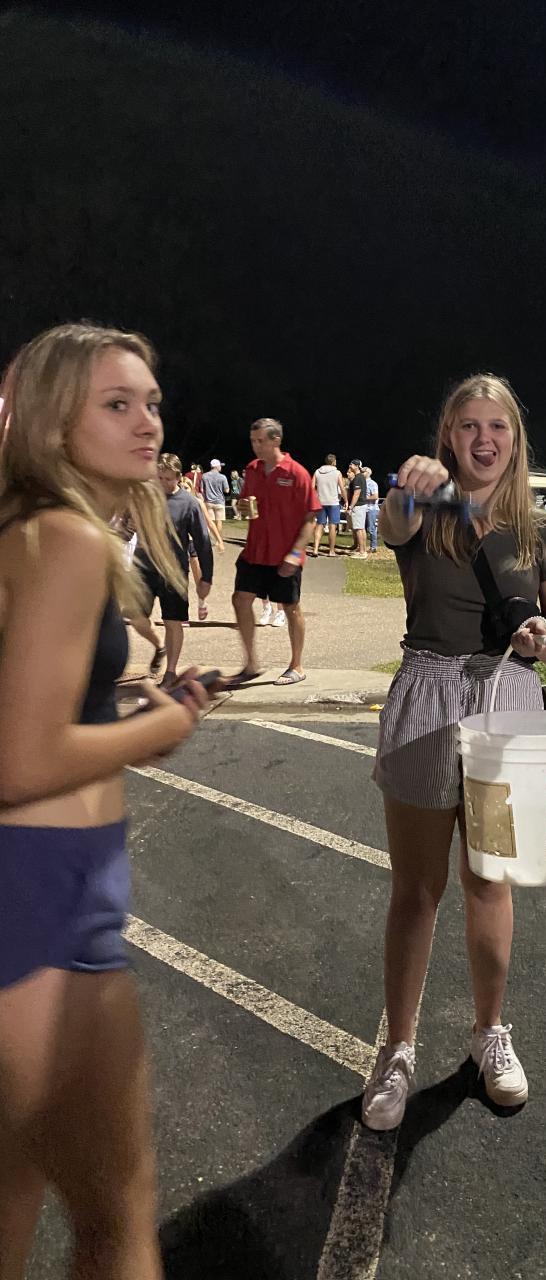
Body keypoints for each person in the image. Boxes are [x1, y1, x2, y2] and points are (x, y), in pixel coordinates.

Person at [0, 322, 210, 1278]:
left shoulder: (23, 526)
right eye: (116, 405)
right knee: (120, 1222)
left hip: (33, 892)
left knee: (15, 1203)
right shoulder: (72, 538)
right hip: (49, 904)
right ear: (54, 423)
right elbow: (24, 757)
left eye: (151, 402)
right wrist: (159, 730)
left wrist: (119, 714)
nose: (147, 423)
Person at [363, 373, 546, 1131]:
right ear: (447, 436)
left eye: (497, 426)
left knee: (490, 882)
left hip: (506, 706)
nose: (483, 440)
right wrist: (407, 488)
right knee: (415, 890)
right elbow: (390, 524)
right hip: (426, 696)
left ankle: (490, 1033)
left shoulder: (544, 530)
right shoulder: (424, 511)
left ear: (515, 438)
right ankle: (397, 1050)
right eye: (468, 426)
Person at [229, 417, 319, 686]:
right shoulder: (252, 469)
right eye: (253, 441)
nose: (255, 446)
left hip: (285, 554)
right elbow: (245, 504)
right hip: (255, 551)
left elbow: (311, 518)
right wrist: (242, 508)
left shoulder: (296, 473)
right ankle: (250, 664)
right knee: (240, 599)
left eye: (260, 441)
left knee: (291, 607)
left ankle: (296, 666)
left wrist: (296, 553)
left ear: (275, 440)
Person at [133, 454, 214, 687]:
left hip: (174, 571)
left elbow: (202, 542)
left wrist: (206, 578)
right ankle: (159, 645)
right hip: (145, 567)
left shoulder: (189, 503)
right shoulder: (146, 498)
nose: (163, 483)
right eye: (159, 478)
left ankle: (170, 672)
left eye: (168, 479)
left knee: (173, 620)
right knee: (136, 617)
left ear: (178, 477)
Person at [311, 452, 347, 557]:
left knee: (319, 525)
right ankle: (331, 551)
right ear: (334, 461)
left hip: (320, 502)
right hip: (333, 502)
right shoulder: (337, 473)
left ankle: (315, 549)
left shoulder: (317, 472)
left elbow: (312, 487)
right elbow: (342, 488)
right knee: (332, 526)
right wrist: (346, 500)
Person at [201, 458, 230, 542]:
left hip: (208, 501)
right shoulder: (222, 477)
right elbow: (227, 490)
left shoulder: (204, 476)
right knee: (219, 521)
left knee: (210, 521)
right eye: (220, 466)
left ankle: (208, 540)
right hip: (219, 502)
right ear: (216, 466)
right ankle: (218, 540)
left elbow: (202, 489)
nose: (221, 467)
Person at [347, 458, 371, 558]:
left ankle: (362, 552)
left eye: (352, 464)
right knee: (361, 528)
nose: (350, 466)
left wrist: (351, 507)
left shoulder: (358, 478)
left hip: (358, 506)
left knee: (358, 529)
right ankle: (363, 549)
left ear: (357, 466)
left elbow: (356, 494)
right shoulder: (361, 477)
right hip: (361, 505)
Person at [363, 466, 380, 552]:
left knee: (371, 528)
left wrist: (363, 498)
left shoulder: (372, 483)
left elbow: (375, 496)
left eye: (364, 471)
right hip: (364, 508)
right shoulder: (362, 483)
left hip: (371, 509)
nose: (362, 473)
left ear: (369, 473)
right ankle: (362, 547)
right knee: (362, 528)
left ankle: (373, 547)